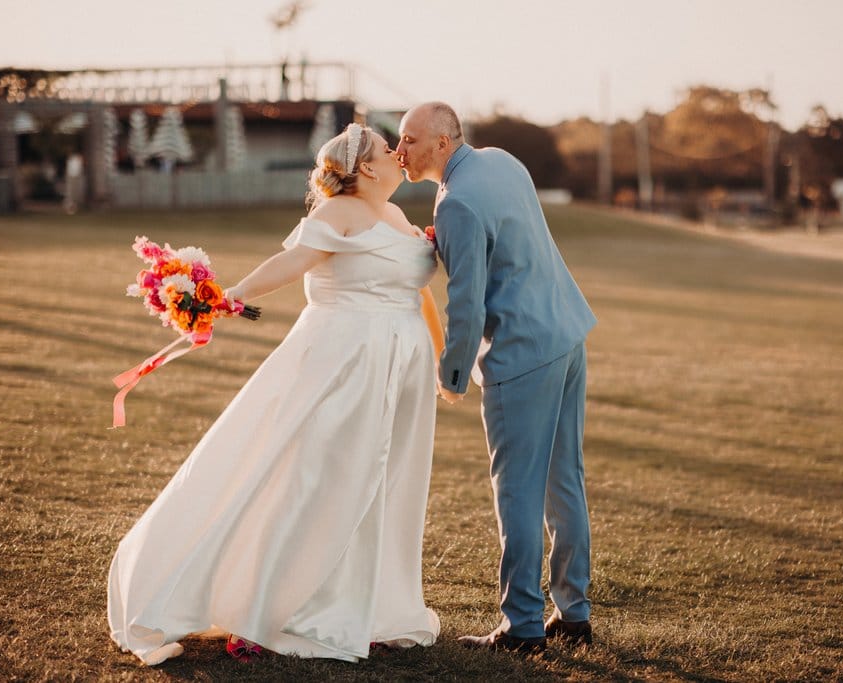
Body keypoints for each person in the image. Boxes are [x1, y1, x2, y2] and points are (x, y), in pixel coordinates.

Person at [107, 123, 443, 666]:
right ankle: (264, 609)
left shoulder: (399, 216)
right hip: (347, 361)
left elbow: (417, 293)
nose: (398, 154)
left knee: (386, 483)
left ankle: (368, 609)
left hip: (402, 365)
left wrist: (444, 356)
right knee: (320, 479)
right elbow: (291, 261)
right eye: (388, 149)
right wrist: (232, 295)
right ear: (365, 167)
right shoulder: (338, 211)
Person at [396, 103, 597, 654]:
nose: (399, 150)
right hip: (566, 334)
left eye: (410, 139)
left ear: (442, 143)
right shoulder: (501, 161)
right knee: (564, 481)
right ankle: (573, 613)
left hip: (522, 355)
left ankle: (523, 625)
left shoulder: (456, 201)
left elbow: (467, 303)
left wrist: (453, 373)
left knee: (518, 494)